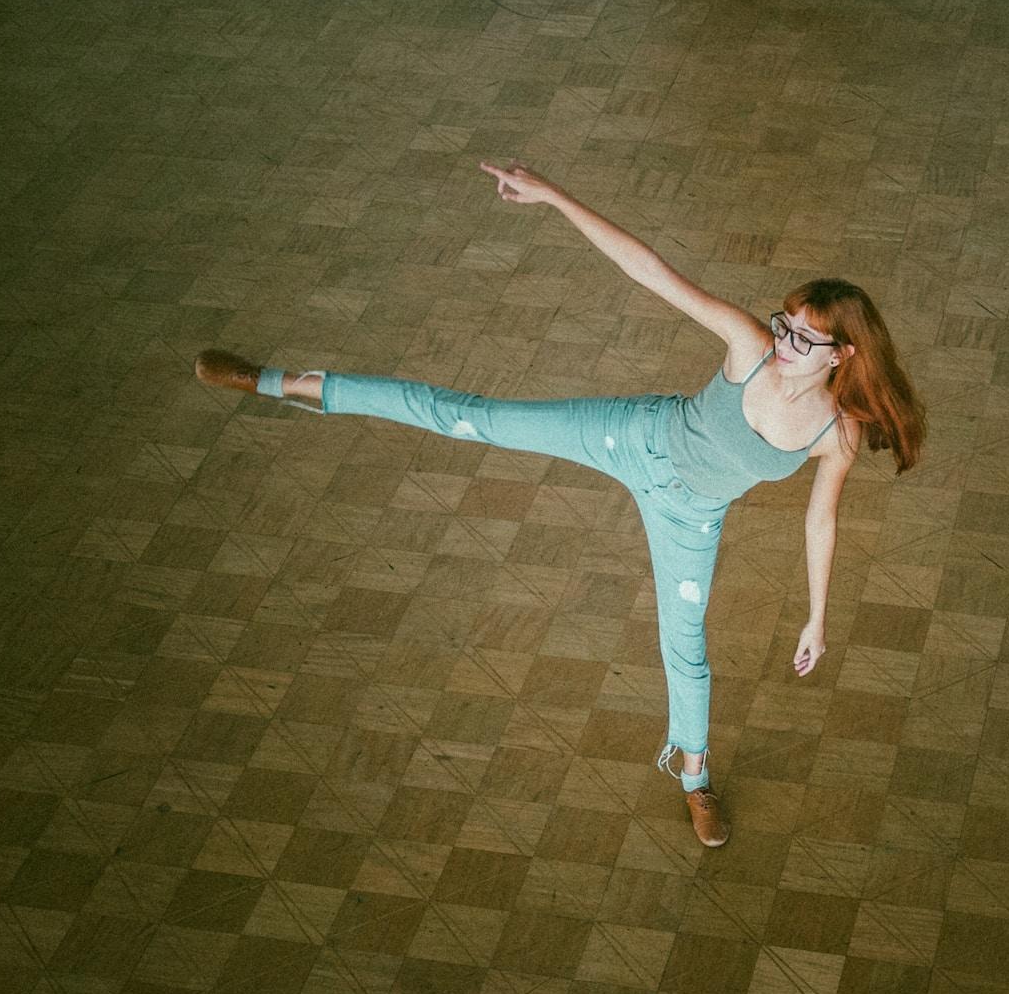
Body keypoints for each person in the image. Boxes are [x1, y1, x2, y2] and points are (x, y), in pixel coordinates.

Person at [194, 162, 926, 847]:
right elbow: (650, 270)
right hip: (630, 437)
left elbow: (819, 519)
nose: (785, 340)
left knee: (687, 650)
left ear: (843, 355)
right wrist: (552, 196)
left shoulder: (838, 432)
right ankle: (278, 383)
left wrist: (817, 620)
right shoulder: (748, 348)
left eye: (804, 337)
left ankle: (695, 780)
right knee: (472, 416)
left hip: (691, 517)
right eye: (784, 323)